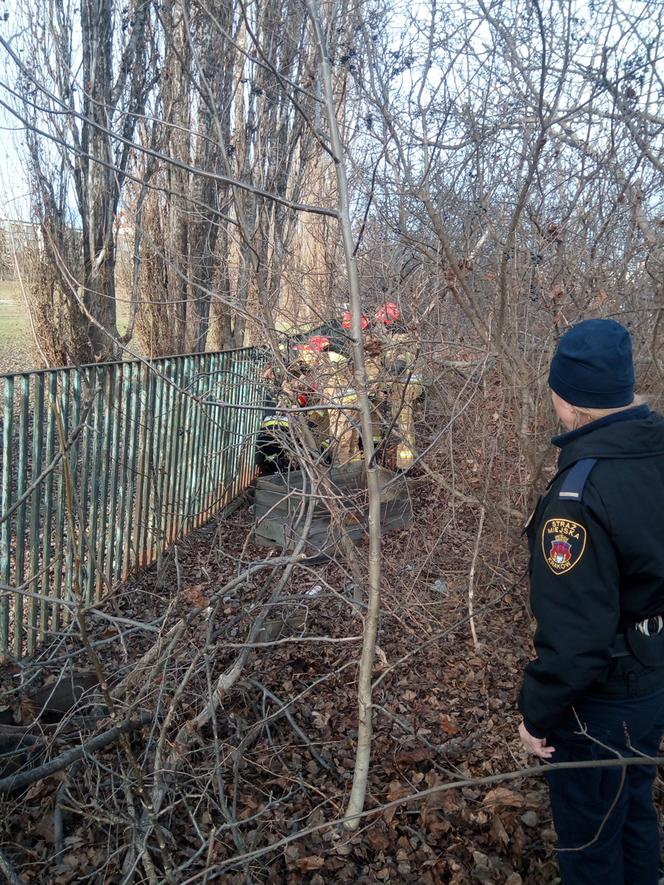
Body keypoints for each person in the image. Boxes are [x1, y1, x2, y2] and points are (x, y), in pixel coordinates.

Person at [518, 318, 664, 885]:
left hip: (600, 701)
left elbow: (577, 641)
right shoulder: (653, 454)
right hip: (651, 678)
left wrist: (538, 714)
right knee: (632, 811)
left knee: (591, 842)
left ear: (565, 397)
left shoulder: (578, 497)